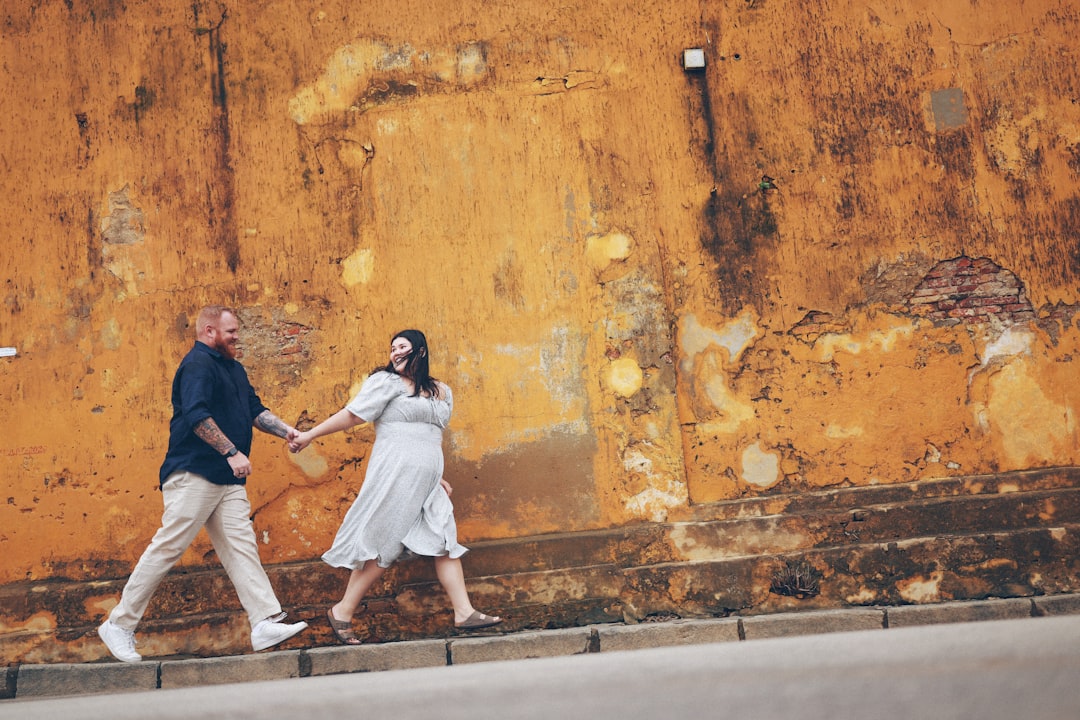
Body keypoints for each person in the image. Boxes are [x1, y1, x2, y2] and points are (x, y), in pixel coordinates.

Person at [98, 305, 309, 663]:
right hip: (194, 471)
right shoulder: (197, 365)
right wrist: (231, 451)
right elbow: (196, 415)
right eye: (230, 331)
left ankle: (264, 622)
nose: (236, 336)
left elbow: (255, 410)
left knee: (241, 547)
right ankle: (118, 625)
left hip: (226, 479)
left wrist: (287, 430)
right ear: (209, 331)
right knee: (168, 546)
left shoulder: (233, 368)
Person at [288, 329, 501, 645]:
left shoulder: (441, 390)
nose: (396, 352)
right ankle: (343, 611)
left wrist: (434, 474)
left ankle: (464, 612)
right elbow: (351, 415)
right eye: (392, 348)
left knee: (443, 538)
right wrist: (310, 435)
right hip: (395, 476)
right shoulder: (384, 383)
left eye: (403, 347)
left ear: (420, 351)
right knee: (384, 544)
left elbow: (428, 436)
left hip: (428, 481)